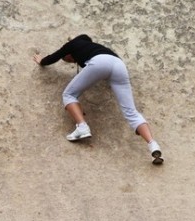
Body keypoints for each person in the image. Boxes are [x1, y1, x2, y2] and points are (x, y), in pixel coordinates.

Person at [32, 34, 163, 165]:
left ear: (69, 53)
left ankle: (82, 127)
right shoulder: (95, 47)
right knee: (131, 111)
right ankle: (153, 145)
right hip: (119, 65)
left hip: (99, 63)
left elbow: (54, 57)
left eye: (69, 60)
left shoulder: (73, 44)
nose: (71, 61)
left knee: (68, 94)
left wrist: (41, 60)